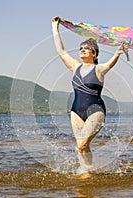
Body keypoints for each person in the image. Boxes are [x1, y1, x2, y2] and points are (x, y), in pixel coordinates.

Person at [52, 17, 128, 174]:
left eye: (86, 48)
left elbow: (110, 64)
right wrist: (55, 27)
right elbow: (61, 51)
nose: (82, 50)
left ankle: (86, 171)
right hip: (76, 112)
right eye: (80, 48)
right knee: (82, 147)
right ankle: (86, 171)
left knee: (81, 144)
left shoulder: (99, 69)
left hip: (96, 111)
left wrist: (117, 53)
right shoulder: (75, 66)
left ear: (94, 53)